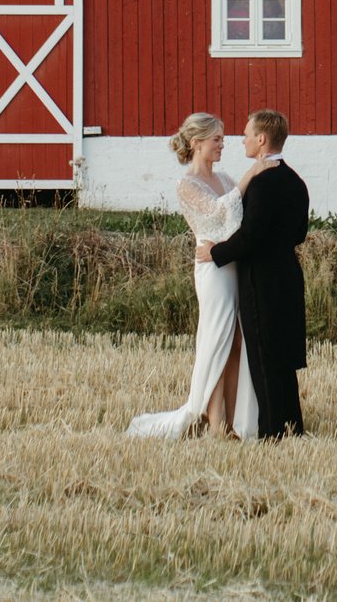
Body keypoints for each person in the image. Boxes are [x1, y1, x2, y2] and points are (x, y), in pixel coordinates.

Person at [127, 113, 278, 439]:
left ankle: (235, 420)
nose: (223, 145)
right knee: (217, 341)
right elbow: (217, 212)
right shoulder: (188, 184)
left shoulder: (224, 178)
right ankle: (215, 423)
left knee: (237, 341)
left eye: (223, 139)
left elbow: (236, 218)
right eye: (217, 140)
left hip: (233, 262)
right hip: (212, 269)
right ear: (197, 143)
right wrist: (252, 174)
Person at [199, 107, 308, 438]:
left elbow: (251, 237)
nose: (242, 140)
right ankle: (292, 427)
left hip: (262, 279)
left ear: (261, 140)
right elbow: (299, 233)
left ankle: (273, 431)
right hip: (288, 275)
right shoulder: (295, 181)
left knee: (263, 355)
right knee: (283, 356)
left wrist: (214, 252)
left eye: (247, 135)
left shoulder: (263, 184)